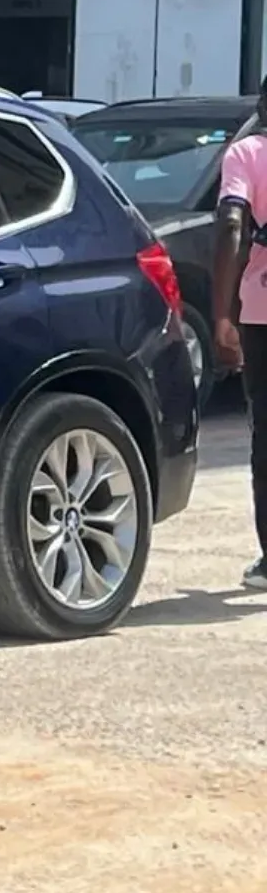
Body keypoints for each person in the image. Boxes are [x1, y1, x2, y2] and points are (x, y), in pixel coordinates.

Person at [212, 77, 267, 589]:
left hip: (262, 310)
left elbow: (233, 224)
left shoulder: (246, 154)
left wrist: (222, 314)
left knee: (265, 434)